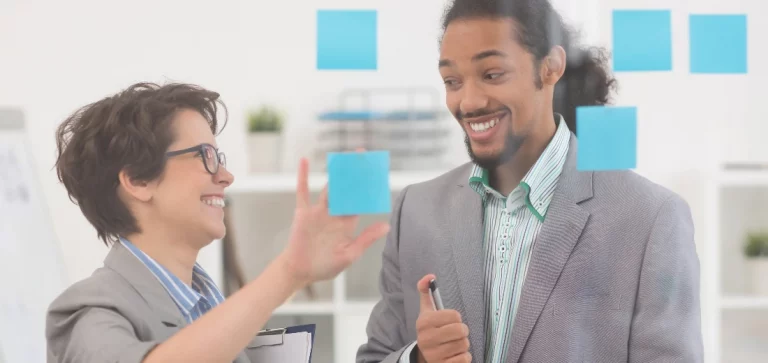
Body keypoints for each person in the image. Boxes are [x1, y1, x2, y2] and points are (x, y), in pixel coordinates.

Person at [356, 0, 703, 362]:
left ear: (551, 67)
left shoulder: (650, 219)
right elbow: (375, 357)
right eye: (452, 81)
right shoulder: (416, 212)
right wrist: (419, 358)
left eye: (492, 74)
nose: (468, 102)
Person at [45, 82, 390, 363]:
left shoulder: (208, 302)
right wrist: (289, 272)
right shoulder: (87, 313)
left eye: (219, 157)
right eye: (205, 157)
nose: (226, 176)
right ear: (137, 181)